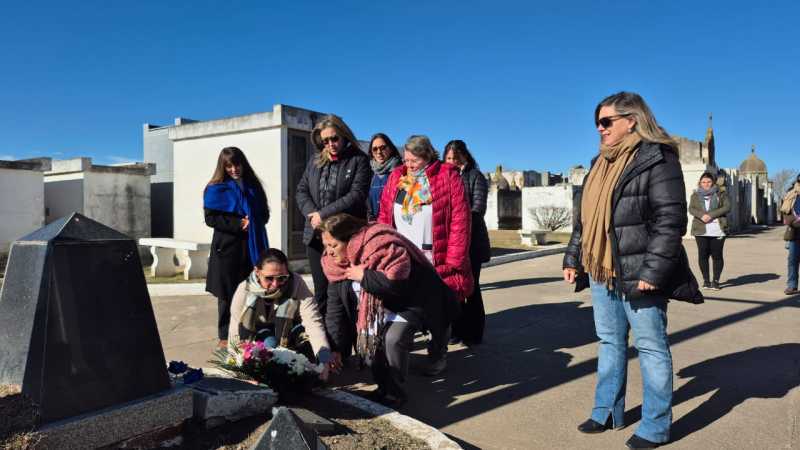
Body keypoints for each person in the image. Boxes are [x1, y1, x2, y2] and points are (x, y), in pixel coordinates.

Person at [563, 92, 701, 449]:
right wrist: (573, 258)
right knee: (609, 342)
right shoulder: (599, 163)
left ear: (632, 120)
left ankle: (656, 427)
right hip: (601, 269)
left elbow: (670, 221)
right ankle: (607, 411)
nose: (599, 128)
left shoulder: (657, 158)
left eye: (606, 121)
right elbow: (584, 221)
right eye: (597, 122)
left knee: (651, 347)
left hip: (640, 269)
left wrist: (653, 271)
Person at [320, 213, 453, 406]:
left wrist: (364, 276)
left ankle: (395, 393)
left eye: (334, 245)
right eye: (326, 245)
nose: (329, 252)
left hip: (411, 300)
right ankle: (383, 388)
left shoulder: (382, 246)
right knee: (369, 347)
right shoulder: (334, 266)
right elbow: (335, 312)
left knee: (393, 340)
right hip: (375, 309)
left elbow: (397, 284)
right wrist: (336, 349)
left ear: (351, 240)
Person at [377, 135, 472, 375]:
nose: (408, 164)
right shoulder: (397, 176)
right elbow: (384, 216)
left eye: (414, 160)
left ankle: (438, 352)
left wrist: (454, 260)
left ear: (428, 155)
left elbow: (461, 219)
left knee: (439, 312)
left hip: (435, 256)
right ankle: (399, 354)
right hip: (403, 256)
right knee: (405, 307)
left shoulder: (447, 175)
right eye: (406, 159)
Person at [296, 115, 371, 315]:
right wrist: (312, 215)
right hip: (315, 235)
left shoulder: (359, 160)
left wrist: (323, 214)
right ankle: (325, 343)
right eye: (326, 140)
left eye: (334, 138)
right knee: (321, 292)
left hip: (344, 236)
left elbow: (357, 194)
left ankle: (354, 338)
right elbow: (301, 191)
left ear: (344, 135)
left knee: (345, 290)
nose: (330, 144)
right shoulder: (315, 161)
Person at [227, 248, 332, 377]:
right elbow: (235, 332)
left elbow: (313, 322)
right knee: (270, 344)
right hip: (258, 336)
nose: (276, 284)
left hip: (290, 331)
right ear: (257, 272)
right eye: (269, 278)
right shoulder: (244, 290)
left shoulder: (297, 283)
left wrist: (324, 360)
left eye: (282, 278)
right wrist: (238, 367)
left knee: (306, 342)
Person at [204, 146, 269, 349]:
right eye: (229, 166)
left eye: (237, 164)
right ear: (223, 167)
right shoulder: (216, 188)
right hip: (228, 249)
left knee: (252, 290)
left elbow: (265, 213)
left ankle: (250, 331)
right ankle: (224, 335)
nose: (234, 169)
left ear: (243, 163)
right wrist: (239, 224)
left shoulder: (253, 185)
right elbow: (211, 218)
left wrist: (255, 221)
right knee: (227, 294)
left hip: (252, 246)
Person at [444, 140, 491, 345]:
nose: (452, 161)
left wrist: (456, 220)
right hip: (451, 243)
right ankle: (456, 329)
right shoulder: (444, 178)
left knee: (471, 288)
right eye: (448, 158)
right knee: (454, 288)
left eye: (456, 157)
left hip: (472, 242)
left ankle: (474, 332)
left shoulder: (475, 177)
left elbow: (478, 208)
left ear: (465, 156)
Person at [689, 172, 731, 290]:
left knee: (717, 255)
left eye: (708, 182)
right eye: (703, 182)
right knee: (703, 255)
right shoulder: (695, 195)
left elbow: (727, 207)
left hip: (717, 229)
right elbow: (691, 208)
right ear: (700, 183)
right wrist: (702, 216)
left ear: (713, 182)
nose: (706, 184)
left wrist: (711, 215)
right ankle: (706, 281)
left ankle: (716, 281)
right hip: (700, 229)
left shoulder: (721, 193)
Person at [367, 133, 402, 221]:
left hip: (393, 223)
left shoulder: (401, 171)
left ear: (390, 148)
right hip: (373, 223)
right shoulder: (369, 172)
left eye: (383, 148)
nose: (379, 152)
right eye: (375, 149)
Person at [780, 174, 800, 295]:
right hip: (794, 232)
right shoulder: (791, 194)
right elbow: (785, 212)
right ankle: (792, 285)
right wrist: (794, 221)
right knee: (792, 260)